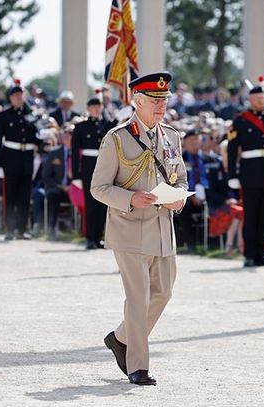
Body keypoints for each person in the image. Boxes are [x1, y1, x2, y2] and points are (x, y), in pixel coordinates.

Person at [91, 71, 188, 386]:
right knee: (138, 299)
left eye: (164, 100)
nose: (161, 106)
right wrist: (131, 197)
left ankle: (120, 338)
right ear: (137, 101)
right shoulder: (117, 138)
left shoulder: (171, 136)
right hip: (129, 228)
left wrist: (179, 200)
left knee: (164, 292)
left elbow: (180, 179)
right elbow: (99, 187)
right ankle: (138, 365)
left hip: (162, 229)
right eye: (154, 100)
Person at [227, 81, 264, 267]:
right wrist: (232, 176)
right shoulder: (241, 120)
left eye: (263, 98)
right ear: (250, 100)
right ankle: (249, 254)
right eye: (258, 98)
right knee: (250, 215)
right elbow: (232, 149)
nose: (261, 101)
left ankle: (262, 252)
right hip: (250, 173)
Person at [0, 79, 46, 240]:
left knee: (24, 195)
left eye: (21, 94)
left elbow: (36, 138)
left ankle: (21, 230)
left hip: (27, 157)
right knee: (10, 195)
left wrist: (41, 136)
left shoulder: (30, 115)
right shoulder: (3, 116)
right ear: (10, 97)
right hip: (10, 157)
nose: (18, 97)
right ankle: (9, 228)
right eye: (15, 95)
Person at [71, 93, 117, 249]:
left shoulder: (106, 124)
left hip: (103, 164)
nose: (96, 109)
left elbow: (109, 132)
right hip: (88, 165)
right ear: (88, 109)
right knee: (90, 203)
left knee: (103, 202)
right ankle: (90, 237)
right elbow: (75, 151)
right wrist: (76, 175)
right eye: (93, 107)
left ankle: (98, 237)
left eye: (99, 106)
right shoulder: (81, 127)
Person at [42, 125, 73, 240]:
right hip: (58, 187)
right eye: (65, 133)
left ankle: (81, 230)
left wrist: (72, 185)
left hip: (74, 187)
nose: (67, 135)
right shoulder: (54, 153)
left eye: (70, 133)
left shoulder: (78, 153)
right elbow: (46, 176)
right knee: (53, 194)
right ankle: (51, 229)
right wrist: (60, 186)